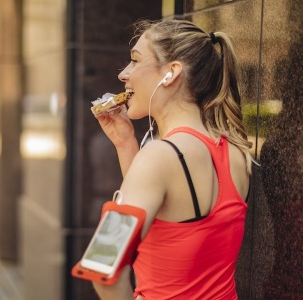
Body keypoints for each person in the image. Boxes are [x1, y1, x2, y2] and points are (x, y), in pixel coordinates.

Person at [90, 19, 253, 300]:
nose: (123, 74)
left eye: (134, 60)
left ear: (171, 73)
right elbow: (170, 222)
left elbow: (102, 265)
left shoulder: (159, 157)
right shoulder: (235, 153)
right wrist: (126, 144)